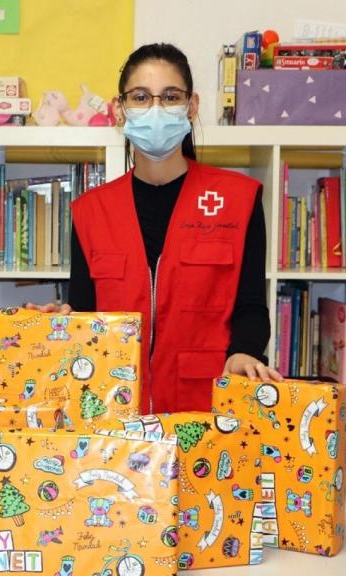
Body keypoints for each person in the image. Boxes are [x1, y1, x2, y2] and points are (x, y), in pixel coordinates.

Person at [32, 43, 282, 414]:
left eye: (170, 97)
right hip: (115, 411)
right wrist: (61, 324)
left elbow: (251, 307)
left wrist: (244, 351)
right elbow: (86, 314)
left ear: (191, 106)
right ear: (120, 111)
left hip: (206, 407)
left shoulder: (238, 200)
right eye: (140, 97)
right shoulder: (90, 210)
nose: (155, 109)